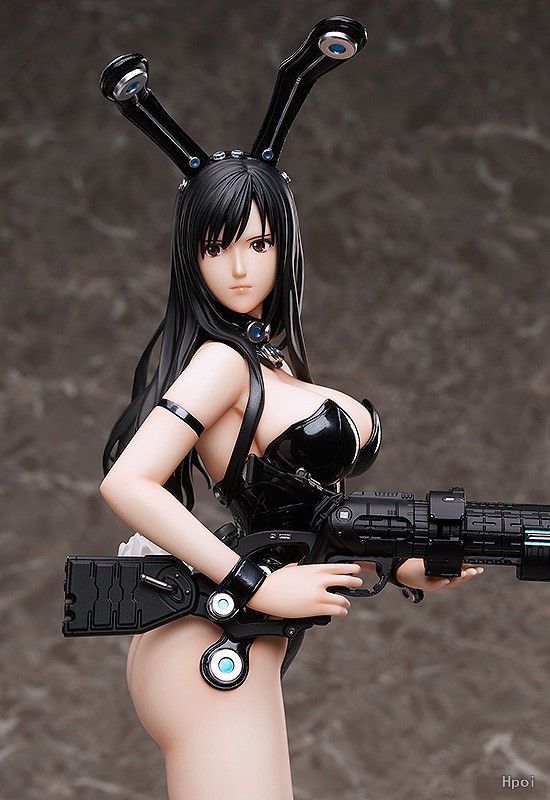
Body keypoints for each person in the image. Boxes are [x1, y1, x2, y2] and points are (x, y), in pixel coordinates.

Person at [97, 20, 484, 800]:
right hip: (213, 637)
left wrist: (397, 563)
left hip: (239, 636)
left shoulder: (270, 364)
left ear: (286, 247)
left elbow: (304, 518)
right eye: (216, 248)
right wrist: (254, 582)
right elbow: (128, 484)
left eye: (260, 243)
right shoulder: (220, 365)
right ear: (190, 258)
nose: (240, 268)